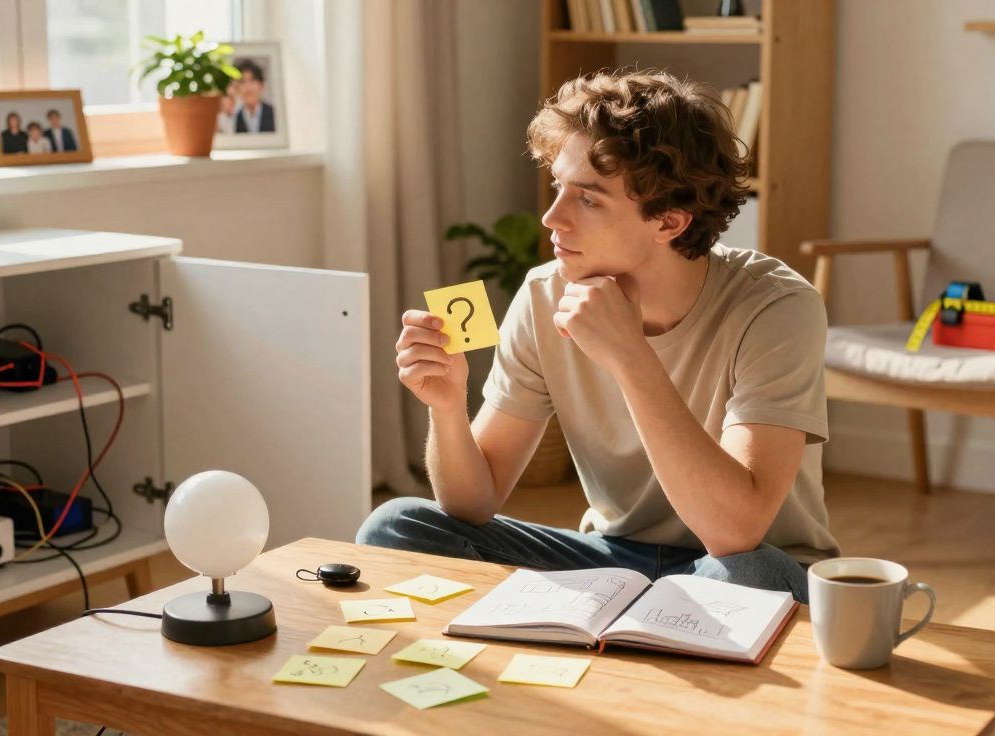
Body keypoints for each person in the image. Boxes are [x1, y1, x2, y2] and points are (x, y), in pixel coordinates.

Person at [357, 69, 838, 604]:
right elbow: (474, 505)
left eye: (587, 199)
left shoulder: (775, 307)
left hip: (746, 565)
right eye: (558, 186)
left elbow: (736, 532)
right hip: (614, 559)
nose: (551, 217)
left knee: (744, 580)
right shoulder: (544, 295)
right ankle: (633, 631)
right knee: (396, 527)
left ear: (669, 223)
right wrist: (446, 408)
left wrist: (631, 357)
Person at [232, 59, 275, 133]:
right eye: (242, 82)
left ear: (262, 85)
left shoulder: (274, 114)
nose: (248, 87)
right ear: (237, 89)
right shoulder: (234, 119)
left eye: (252, 80)